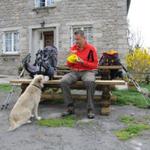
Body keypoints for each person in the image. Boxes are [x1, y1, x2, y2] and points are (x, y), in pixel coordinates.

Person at [60, 30, 98, 119]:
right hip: (74, 71)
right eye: (75, 39)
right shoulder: (73, 48)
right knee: (63, 81)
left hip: (87, 71)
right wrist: (70, 61)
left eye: (78, 39)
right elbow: (69, 65)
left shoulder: (91, 49)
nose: (76, 41)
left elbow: (95, 65)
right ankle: (70, 108)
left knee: (90, 82)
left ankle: (90, 109)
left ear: (84, 38)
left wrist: (83, 62)